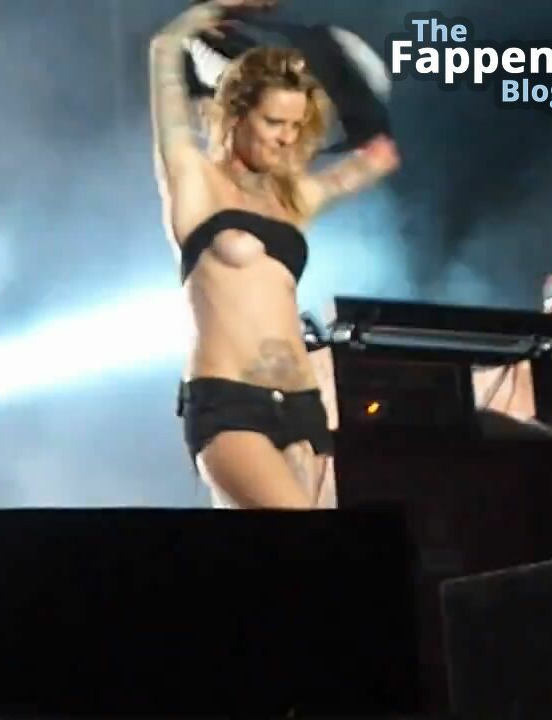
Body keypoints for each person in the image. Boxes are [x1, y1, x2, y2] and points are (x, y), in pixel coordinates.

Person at [149, 0, 400, 509]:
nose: (286, 137)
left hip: (303, 408)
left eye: (295, 125)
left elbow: (374, 162)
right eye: (273, 122)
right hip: (229, 404)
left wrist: (362, 104)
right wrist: (217, 8)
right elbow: (163, 48)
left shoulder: (290, 199)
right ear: (236, 113)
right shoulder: (193, 180)